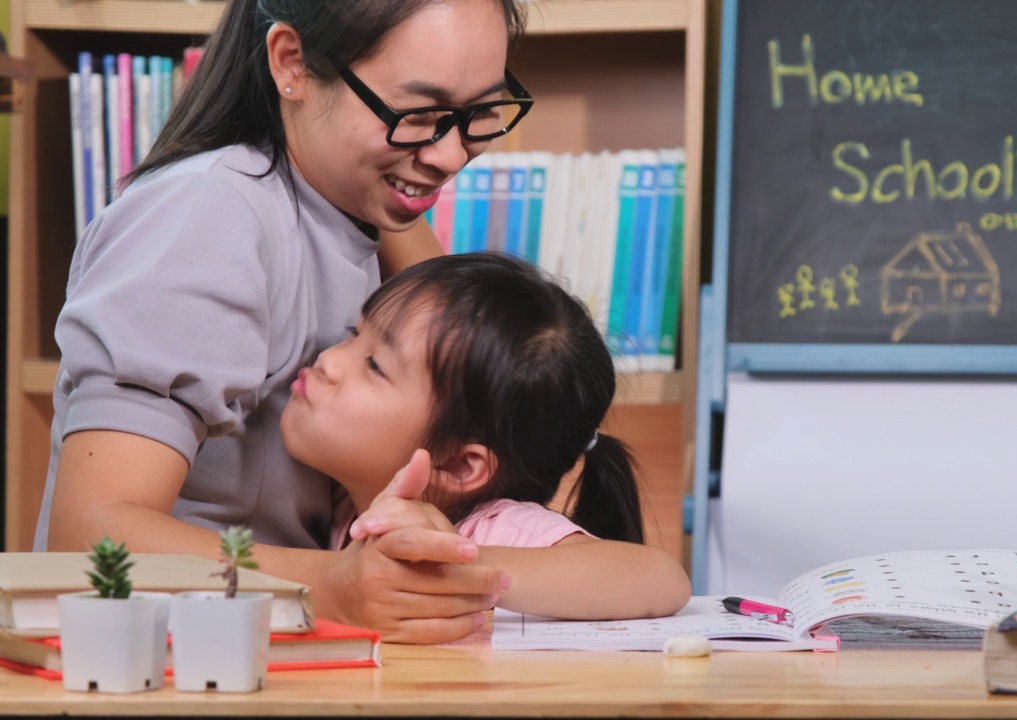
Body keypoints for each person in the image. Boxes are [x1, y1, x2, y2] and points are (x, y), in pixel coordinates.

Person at [38, 0, 534, 644]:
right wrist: (336, 586)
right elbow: (86, 539)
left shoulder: (356, 206)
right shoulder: (210, 214)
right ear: (290, 63)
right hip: (160, 666)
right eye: (418, 114)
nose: (449, 157)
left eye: (477, 115)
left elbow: (475, 371)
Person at [282, 253, 692, 619]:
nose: (328, 360)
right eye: (353, 333)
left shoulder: (489, 528)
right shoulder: (344, 498)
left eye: (375, 366)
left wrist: (451, 564)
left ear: (459, 465)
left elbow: (661, 578)